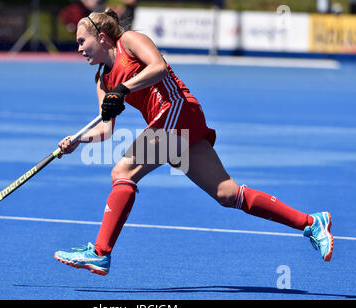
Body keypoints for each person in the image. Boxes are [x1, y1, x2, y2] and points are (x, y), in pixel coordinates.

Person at [54, 8, 334, 276]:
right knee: (228, 194)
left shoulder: (129, 41)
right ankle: (311, 222)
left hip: (177, 110)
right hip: (171, 124)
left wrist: (123, 89)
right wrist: (78, 140)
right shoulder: (102, 79)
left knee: (122, 172)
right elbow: (105, 128)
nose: (79, 48)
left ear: (101, 37)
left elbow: (159, 67)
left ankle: (101, 251)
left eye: (82, 41)